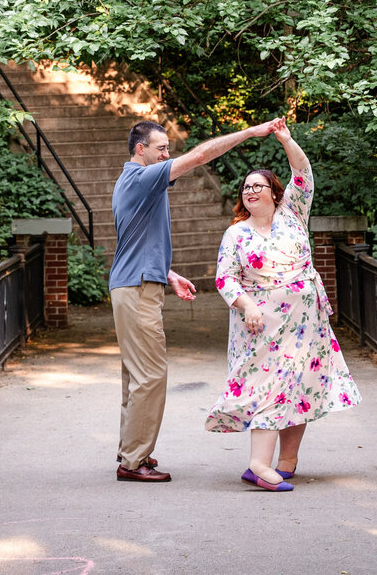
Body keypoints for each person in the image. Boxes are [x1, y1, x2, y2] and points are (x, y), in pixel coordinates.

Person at [111, 116, 278, 483]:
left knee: (136, 376)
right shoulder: (142, 176)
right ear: (141, 150)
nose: (168, 154)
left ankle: (132, 452)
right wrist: (250, 131)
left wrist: (167, 273)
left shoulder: (131, 183)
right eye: (162, 148)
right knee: (150, 375)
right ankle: (133, 462)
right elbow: (201, 155)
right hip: (137, 289)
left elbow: (133, 241)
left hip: (136, 282)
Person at [205, 118, 359, 491]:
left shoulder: (293, 215)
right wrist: (247, 305)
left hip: (307, 321)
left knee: (301, 387)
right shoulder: (236, 233)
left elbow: (303, 173)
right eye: (246, 187)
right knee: (269, 385)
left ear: (276, 193)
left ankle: (287, 461)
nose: (251, 191)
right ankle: (260, 465)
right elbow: (225, 278)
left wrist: (287, 140)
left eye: (259, 186)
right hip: (261, 324)